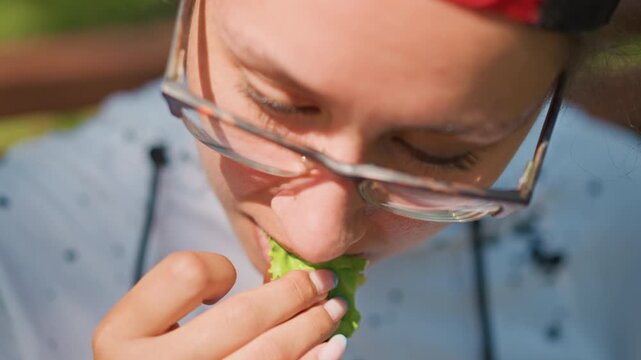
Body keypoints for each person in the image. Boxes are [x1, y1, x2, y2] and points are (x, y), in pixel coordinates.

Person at [0, 0, 638, 359]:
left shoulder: (622, 233)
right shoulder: (22, 256)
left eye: (438, 155)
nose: (323, 235)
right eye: (277, 105)